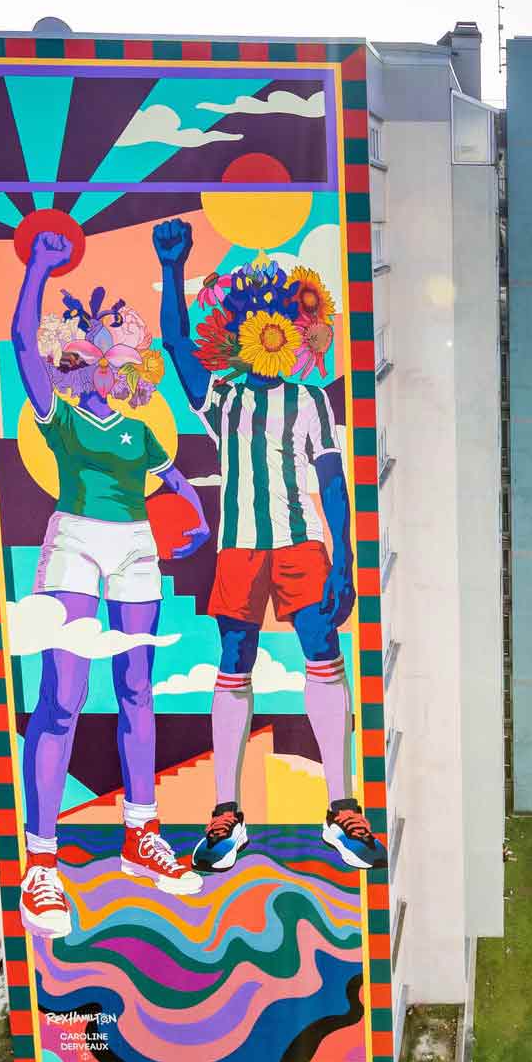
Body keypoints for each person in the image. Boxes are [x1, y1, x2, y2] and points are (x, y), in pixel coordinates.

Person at [154, 218, 383, 872]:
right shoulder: (219, 397)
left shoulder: (311, 400)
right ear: (235, 333)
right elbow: (174, 341)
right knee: (234, 662)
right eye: (253, 317)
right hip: (241, 549)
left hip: (300, 548)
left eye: (276, 317)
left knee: (322, 655)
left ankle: (341, 807)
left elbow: (333, 484)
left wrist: (343, 558)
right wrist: (174, 266)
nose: (264, 329)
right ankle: (226, 813)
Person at [9, 224, 211, 935]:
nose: (110, 353)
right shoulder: (56, 413)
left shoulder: (141, 430)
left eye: (119, 334)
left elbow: (173, 478)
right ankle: (40, 862)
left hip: (135, 549)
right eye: (101, 338)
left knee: (136, 690)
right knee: (61, 695)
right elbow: (21, 346)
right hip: (74, 544)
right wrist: (37, 266)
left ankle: (140, 834)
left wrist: (193, 513)